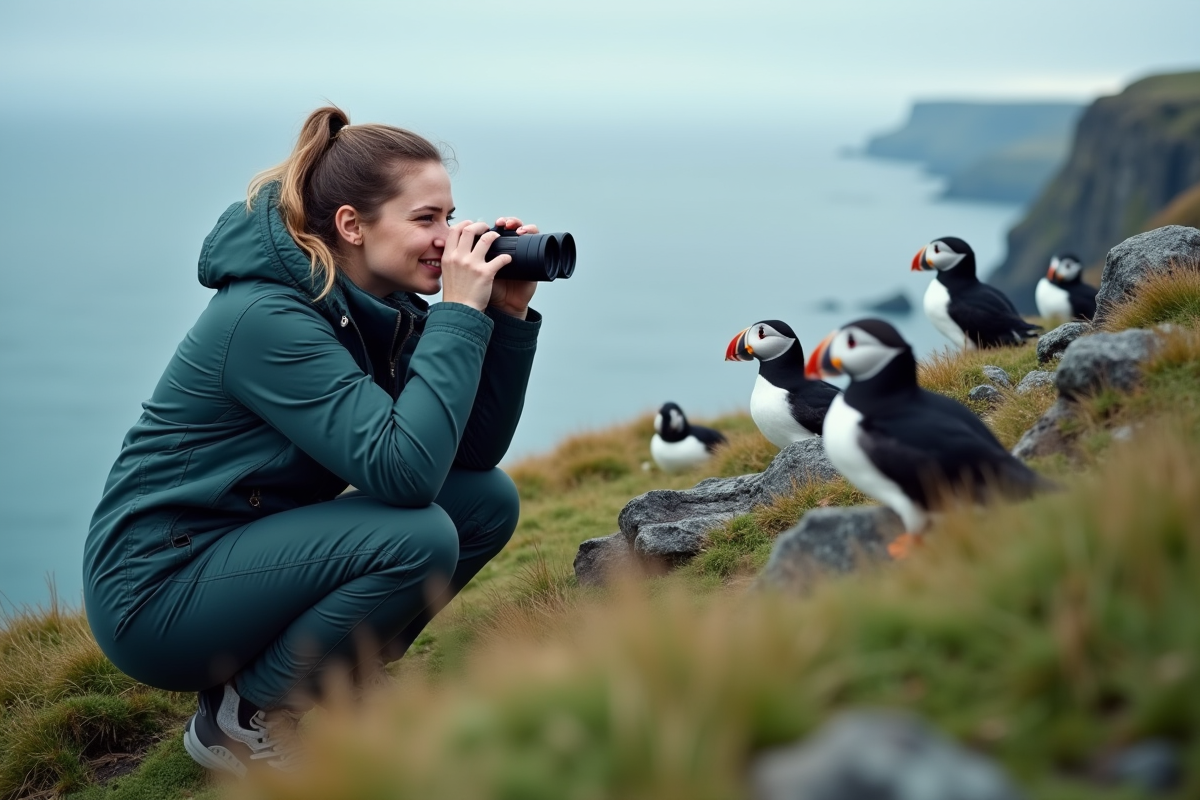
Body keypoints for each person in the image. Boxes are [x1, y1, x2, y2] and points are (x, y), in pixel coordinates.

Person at [82, 105, 542, 776]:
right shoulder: (267, 318)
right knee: (419, 537)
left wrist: (505, 316)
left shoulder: (376, 309)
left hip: (244, 557)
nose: (449, 239)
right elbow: (406, 475)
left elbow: (469, 456)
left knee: (484, 500)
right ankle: (244, 718)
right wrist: (458, 317)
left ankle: (339, 677)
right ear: (352, 225)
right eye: (426, 220)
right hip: (158, 596)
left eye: (449, 215)